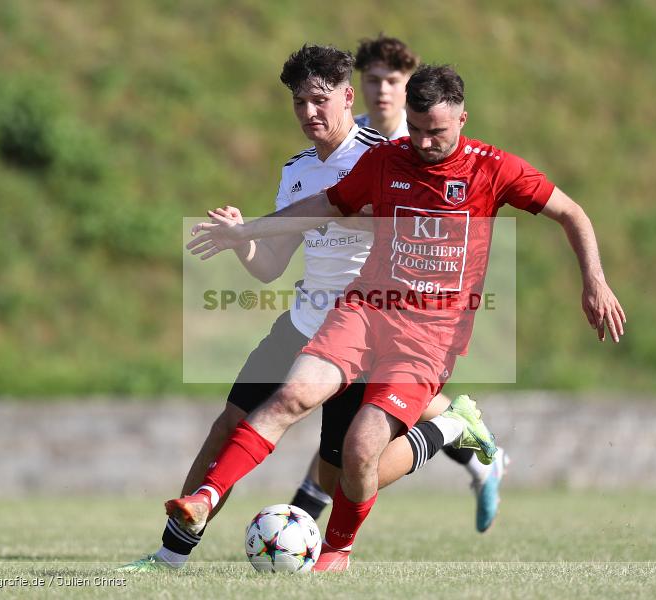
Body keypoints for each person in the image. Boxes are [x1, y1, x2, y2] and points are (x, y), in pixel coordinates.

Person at [173, 64, 626, 572]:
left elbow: (573, 213)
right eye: (416, 129)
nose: (426, 142)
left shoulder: (493, 168)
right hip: (364, 311)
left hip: (430, 337)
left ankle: (348, 538)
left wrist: (595, 280)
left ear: (462, 119)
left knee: (359, 448)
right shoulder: (386, 160)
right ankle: (206, 499)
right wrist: (248, 232)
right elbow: (325, 205)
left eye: (438, 131)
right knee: (292, 395)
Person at [118, 45, 497, 573]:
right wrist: (241, 241)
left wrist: (334, 215)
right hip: (303, 321)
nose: (309, 113)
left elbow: (413, 225)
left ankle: (445, 430)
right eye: (299, 102)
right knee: (228, 426)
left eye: (320, 100)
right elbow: (272, 265)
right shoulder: (295, 170)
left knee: (348, 470)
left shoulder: (386, 156)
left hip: (365, 332)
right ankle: (169, 555)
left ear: (347, 97)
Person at [354, 34, 509, 526]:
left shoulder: (425, 141)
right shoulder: (348, 143)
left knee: (348, 450)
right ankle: (464, 437)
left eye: (392, 81)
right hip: (352, 299)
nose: (382, 91)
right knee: (327, 423)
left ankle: (319, 537)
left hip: (418, 315)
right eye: (372, 80)